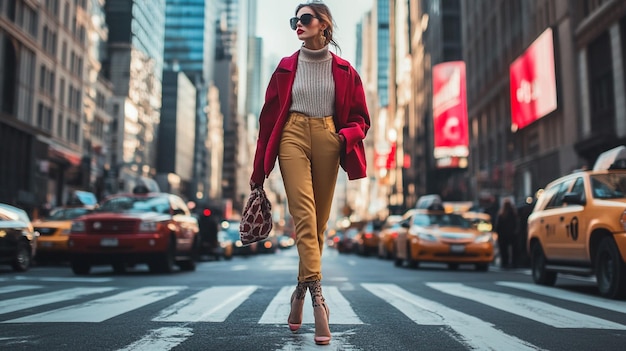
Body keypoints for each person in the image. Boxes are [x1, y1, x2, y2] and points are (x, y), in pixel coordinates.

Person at [249, 1, 370, 345]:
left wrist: (342, 137)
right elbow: (267, 121)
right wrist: (259, 172)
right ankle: (320, 302)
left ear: (324, 26)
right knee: (303, 217)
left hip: (329, 139)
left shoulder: (346, 71)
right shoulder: (286, 67)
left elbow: (362, 120)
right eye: (295, 20)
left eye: (304, 19)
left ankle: (298, 295)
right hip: (291, 135)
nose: (297, 25)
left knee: (317, 226)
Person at [495, 198, 519, 268]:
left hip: (503, 235)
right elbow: (517, 224)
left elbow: (498, 226)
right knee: (514, 250)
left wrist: (498, 233)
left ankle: (504, 263)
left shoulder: (501, 214)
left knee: (503, 250)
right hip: (512, 235)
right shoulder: (514, 214)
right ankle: (514, 263)